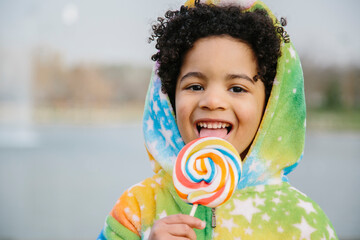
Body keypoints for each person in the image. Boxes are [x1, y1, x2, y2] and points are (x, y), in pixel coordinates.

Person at [98, 0, 338, 239]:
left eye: (237, 88)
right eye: (194, 86)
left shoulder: (303, 222)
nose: (212, 101)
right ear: (170, 98)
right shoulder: (137, 209)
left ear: (270, 106)